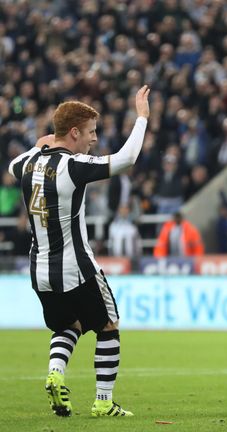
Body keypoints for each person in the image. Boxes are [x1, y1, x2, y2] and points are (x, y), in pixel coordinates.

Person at [8, 85, 151, 418]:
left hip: (39, 270)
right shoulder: (73, 166)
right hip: (77, 267)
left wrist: (39, 143)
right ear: (74, 132)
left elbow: (15, 165)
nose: (95, 139)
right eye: (91, 132)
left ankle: (56, 373)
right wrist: (142, 118)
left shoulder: (29, 165)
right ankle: (104, 401)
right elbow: (127, 160)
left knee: (68, 326)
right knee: (109, 325)